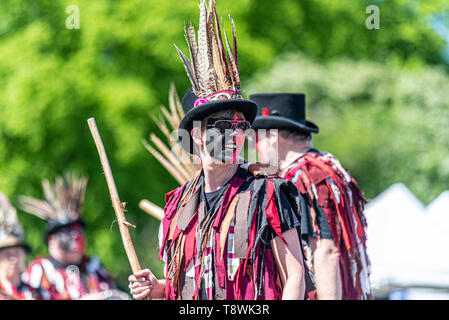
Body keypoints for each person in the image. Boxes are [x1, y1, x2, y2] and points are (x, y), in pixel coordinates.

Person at [128, 0, 312, 300]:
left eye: (241, 126)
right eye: (224, 125)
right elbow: (185, 286)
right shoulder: (177, 205)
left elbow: (295, 276)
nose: (236, 133)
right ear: (199, 134)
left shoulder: (268, 193)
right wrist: (157, 288)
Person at [250, 93, 373, 300]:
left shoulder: (306, 176)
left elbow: (327, 252)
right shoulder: (330, 169)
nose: (255, 147)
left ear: (272, 136)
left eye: (258, 138)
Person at [19, 172, 127, 300]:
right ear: (51, 240)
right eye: (67, 231)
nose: (75, 235)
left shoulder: (94, 267)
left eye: (79, 230)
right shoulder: (39, 270)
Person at [0, 192, 40, 300]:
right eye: (7, 254)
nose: (13, 259)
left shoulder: (36, 292)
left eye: (17, 253)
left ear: (24, 256)